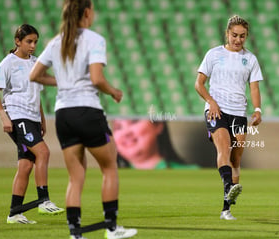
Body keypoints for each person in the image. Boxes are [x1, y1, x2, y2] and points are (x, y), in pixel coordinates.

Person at [29, 0, 137, 239]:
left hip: (64, 114)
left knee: (75, 178)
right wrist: (114, 91)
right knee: (109, 168)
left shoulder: (56, 41)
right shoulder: (94, 39)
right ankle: (111, 228)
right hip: (87, 110)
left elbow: (35, 75)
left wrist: (63, 82)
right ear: (87, 12)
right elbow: (97, 78)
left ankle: (75, 235)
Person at [0, 24, 65, 224]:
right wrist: (3, 116)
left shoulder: (35, 63)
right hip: (17, 116)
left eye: (35, 42)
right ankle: (43, 200)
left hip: (32, 118)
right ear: (18, 41)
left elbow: (35, 94)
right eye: (29, 41)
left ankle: (15, 213)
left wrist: (41, 118)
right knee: (44, 152)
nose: (32, 45)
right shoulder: (8, 63)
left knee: (26, 165)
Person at [194, 15, 263, 220]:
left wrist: (257, 109)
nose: (238, 40)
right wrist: (211, 102)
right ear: (227, 33)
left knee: (236, 159)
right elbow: (199, 84)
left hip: (238, 113)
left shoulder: (250, 59)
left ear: (247, 36)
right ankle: (227, 202)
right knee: (223, 150)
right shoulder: (214, 54)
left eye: (242, 36)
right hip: (217, 110)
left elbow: (254, 86)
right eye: (234, 35)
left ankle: (227, 207)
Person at [112, 119, 199, 169]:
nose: (126, 132)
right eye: (118, 127)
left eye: (134, 121)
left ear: (158, 125)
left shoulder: (193, 175)